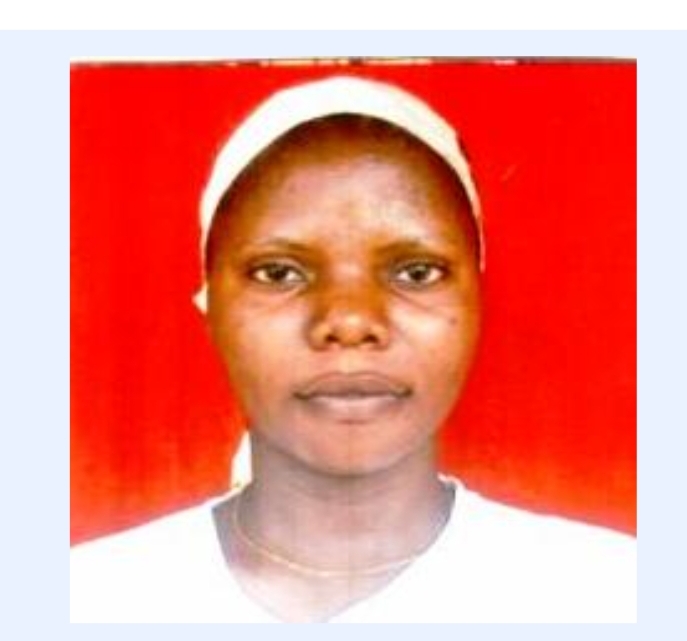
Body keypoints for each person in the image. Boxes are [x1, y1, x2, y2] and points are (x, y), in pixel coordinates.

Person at [70, 75, 636, 623]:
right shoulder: (85, 600)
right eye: (279, 272)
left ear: (476, 302)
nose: (349, 321)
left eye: (416, 272)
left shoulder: (613, 596)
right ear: (209, 305)